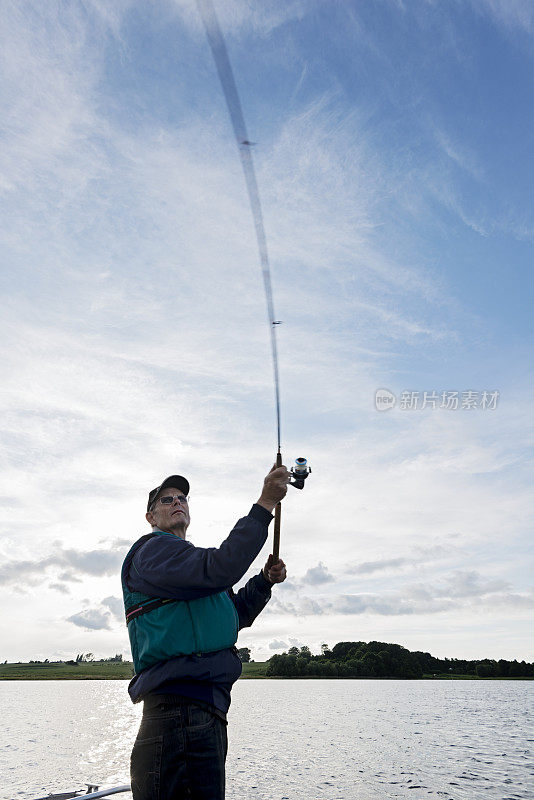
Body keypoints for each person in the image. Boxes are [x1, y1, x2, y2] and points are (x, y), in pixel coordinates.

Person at [121, 464, 289, 799]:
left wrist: (264, 581)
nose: (176, 502)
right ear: (150, 517)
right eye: (166, 500)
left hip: (203, 714)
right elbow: (222, 566)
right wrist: (265, 504)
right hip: (177, 713)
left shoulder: (186, 565)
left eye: (181, 498)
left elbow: (233, 616)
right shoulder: (153, 551)